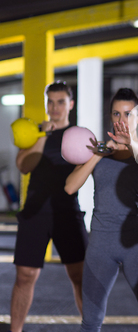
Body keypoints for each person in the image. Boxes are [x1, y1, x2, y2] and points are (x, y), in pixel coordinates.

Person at [64, 88, 138, 332]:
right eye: (116, 114)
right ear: (111, 117)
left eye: (128, 114)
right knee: (90, 323)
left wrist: (129, 142)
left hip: (136, 247)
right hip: (100, 246)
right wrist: (98, 155)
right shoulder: (99, 151)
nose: (121, 120)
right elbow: (70, 187)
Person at [10, 81, 88, 332]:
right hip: (36, 213)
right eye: (51, 102)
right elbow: (24, 165)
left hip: (67, 212)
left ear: (71, 105)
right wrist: (44, 134)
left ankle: (91, 328)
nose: (55, 107)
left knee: (80, 278)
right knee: (25, 276)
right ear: (46, 104)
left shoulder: (80, 135)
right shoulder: (34, 134)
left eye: (61, 102)